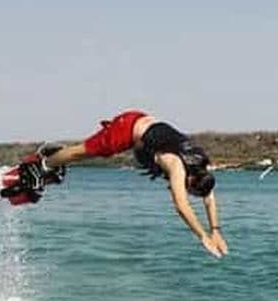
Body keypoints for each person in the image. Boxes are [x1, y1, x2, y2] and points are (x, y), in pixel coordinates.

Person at [37, 110, 228, 258]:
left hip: (141, 123)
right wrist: (203, 236)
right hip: (128, 128)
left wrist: (215, 230)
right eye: (190, 191)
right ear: (191, 180)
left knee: (89, 151)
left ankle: (56, 157)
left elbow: (209, 199)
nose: (188, 193)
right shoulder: (176, 165)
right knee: (85, 152)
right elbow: (181, 206)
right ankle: (44, 163)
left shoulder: (201, 165)